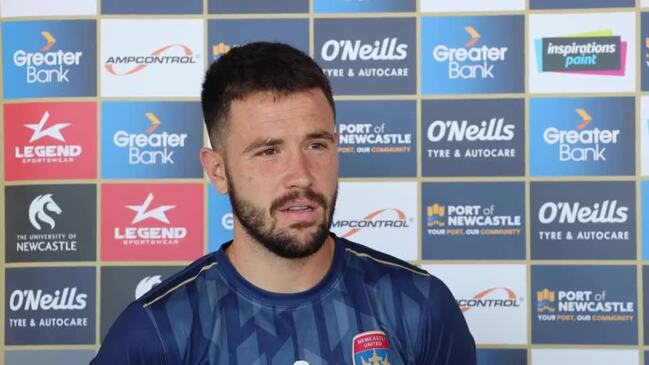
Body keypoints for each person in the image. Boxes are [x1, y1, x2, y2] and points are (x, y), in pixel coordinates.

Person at [91, 42, 476, 365]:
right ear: (218, 171)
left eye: (317, 145)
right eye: (269, 151)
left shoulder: (419, 307)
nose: (302, 175)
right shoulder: (156, 333)